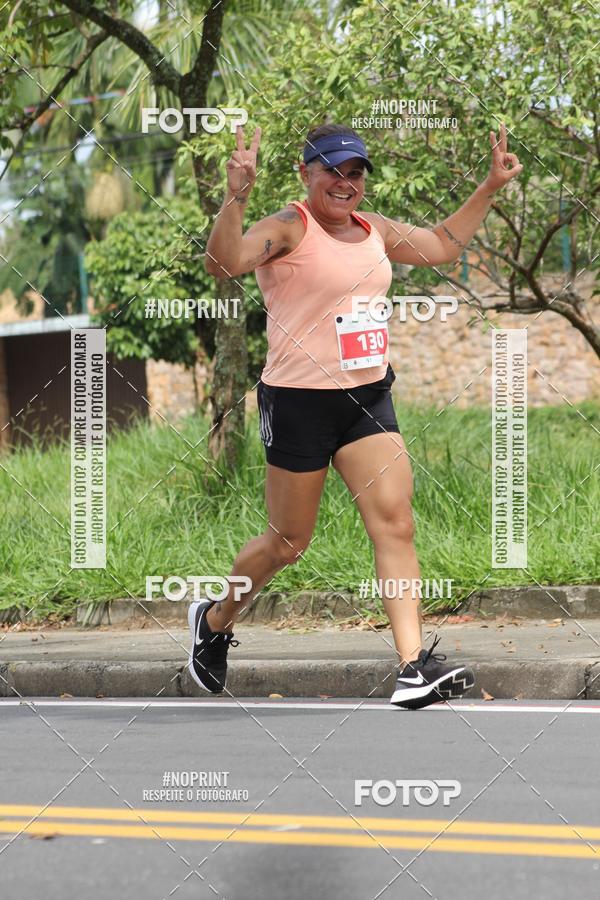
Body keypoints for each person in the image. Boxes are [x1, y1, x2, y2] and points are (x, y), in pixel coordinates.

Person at [189, 121, 522, 709]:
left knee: (395, 522)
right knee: (288, 542)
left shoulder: (375, 231)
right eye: (333, 171)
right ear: (306, 175)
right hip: (298, 403)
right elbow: (224, 264)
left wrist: (491, 185)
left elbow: (444, 244)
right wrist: (236, 196)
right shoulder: (290, 227)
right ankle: (215, 620)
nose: (346, 183)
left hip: (367, 398)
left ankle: (413, 666)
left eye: (356, 172)